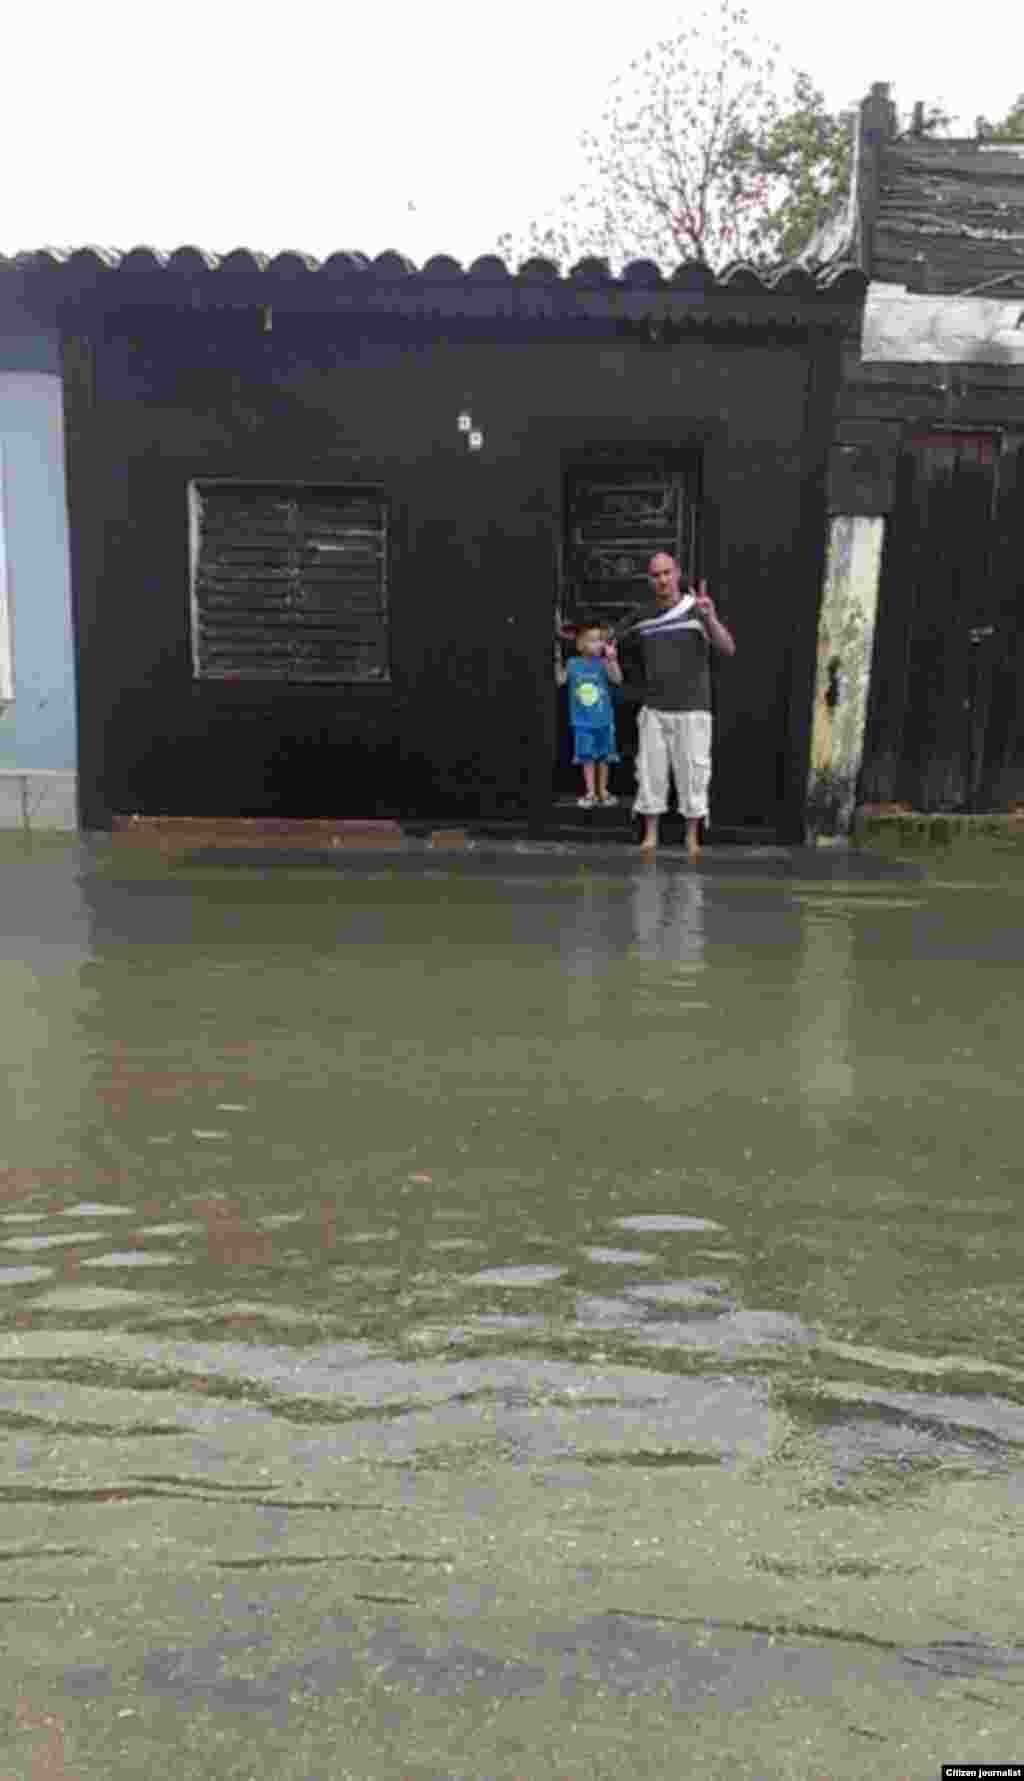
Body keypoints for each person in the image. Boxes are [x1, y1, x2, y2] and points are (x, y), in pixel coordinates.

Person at [614, 555, 736, 858]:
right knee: (650, 773)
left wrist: (710, 617)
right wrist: (606, 656)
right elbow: (613, 647)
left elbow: (727, 648)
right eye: (656, 575)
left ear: (678, 574)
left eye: (667, 573)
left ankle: (692, 838)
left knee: (694, 773)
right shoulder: (642, 616)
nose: (663, 580)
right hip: (654, 708)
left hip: (694, 708)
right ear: (649, 580)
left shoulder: (697, 610)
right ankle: (651, 836)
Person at [556, 617, 623, 808]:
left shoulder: (603, 663)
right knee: (587, 757)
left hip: (604, 720)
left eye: (600, 639)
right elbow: (560, 680)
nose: (598, 643)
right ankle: (590, 792)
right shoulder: (573, 664)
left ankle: (603, 790)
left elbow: (617, 679)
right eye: (592, 640)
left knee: (604, 757)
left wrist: (612, 660)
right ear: (580, 644)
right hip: (581, 721)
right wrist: (556, 660)